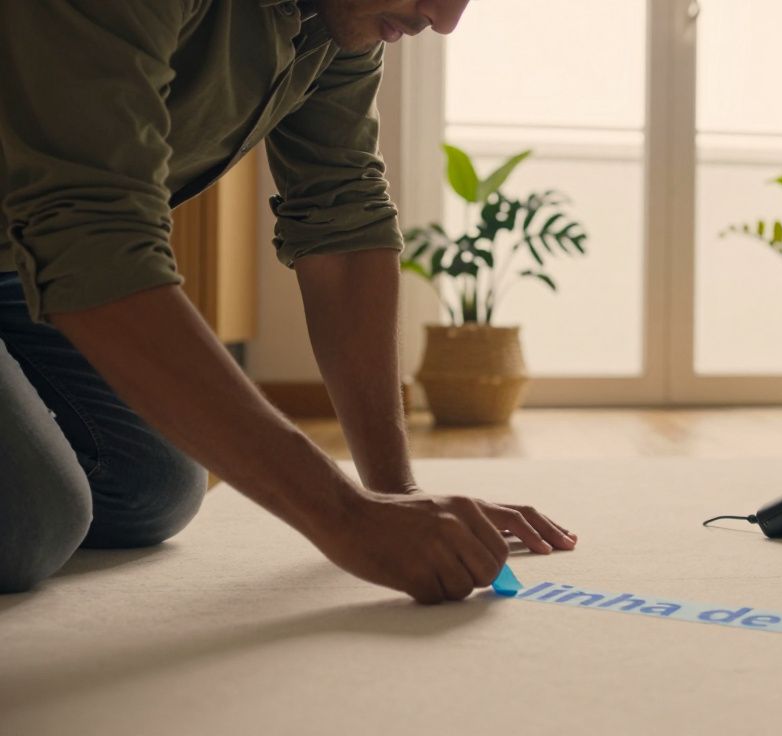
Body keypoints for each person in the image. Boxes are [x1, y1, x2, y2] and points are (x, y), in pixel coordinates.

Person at [0, 0, 576, 602]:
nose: (445, 18)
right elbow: (93, 236)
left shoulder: (338, 17)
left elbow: (343, 211)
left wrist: (391, 492)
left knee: (154, 488)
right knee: (31, 524)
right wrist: (346, 518)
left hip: (16, 256)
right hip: (51, 238)